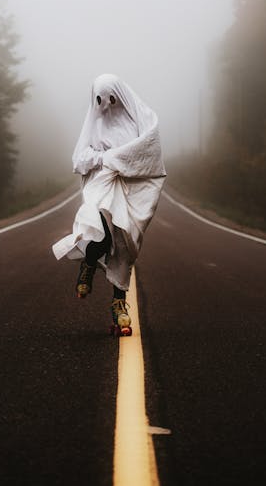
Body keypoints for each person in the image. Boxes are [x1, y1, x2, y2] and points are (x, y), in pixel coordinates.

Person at [52, 73, 166, 335]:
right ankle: (89, 262)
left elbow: (148, 150)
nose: (106, 105)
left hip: (130, 189)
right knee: (103, 236)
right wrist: (104, 159)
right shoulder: (94, 123)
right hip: (102, 186)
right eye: (100, 99)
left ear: (121, 96)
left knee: (124, 245)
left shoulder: (139, 120)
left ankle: (119, 305)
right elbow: (79, 159)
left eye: (111, 98)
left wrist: (110, 157)